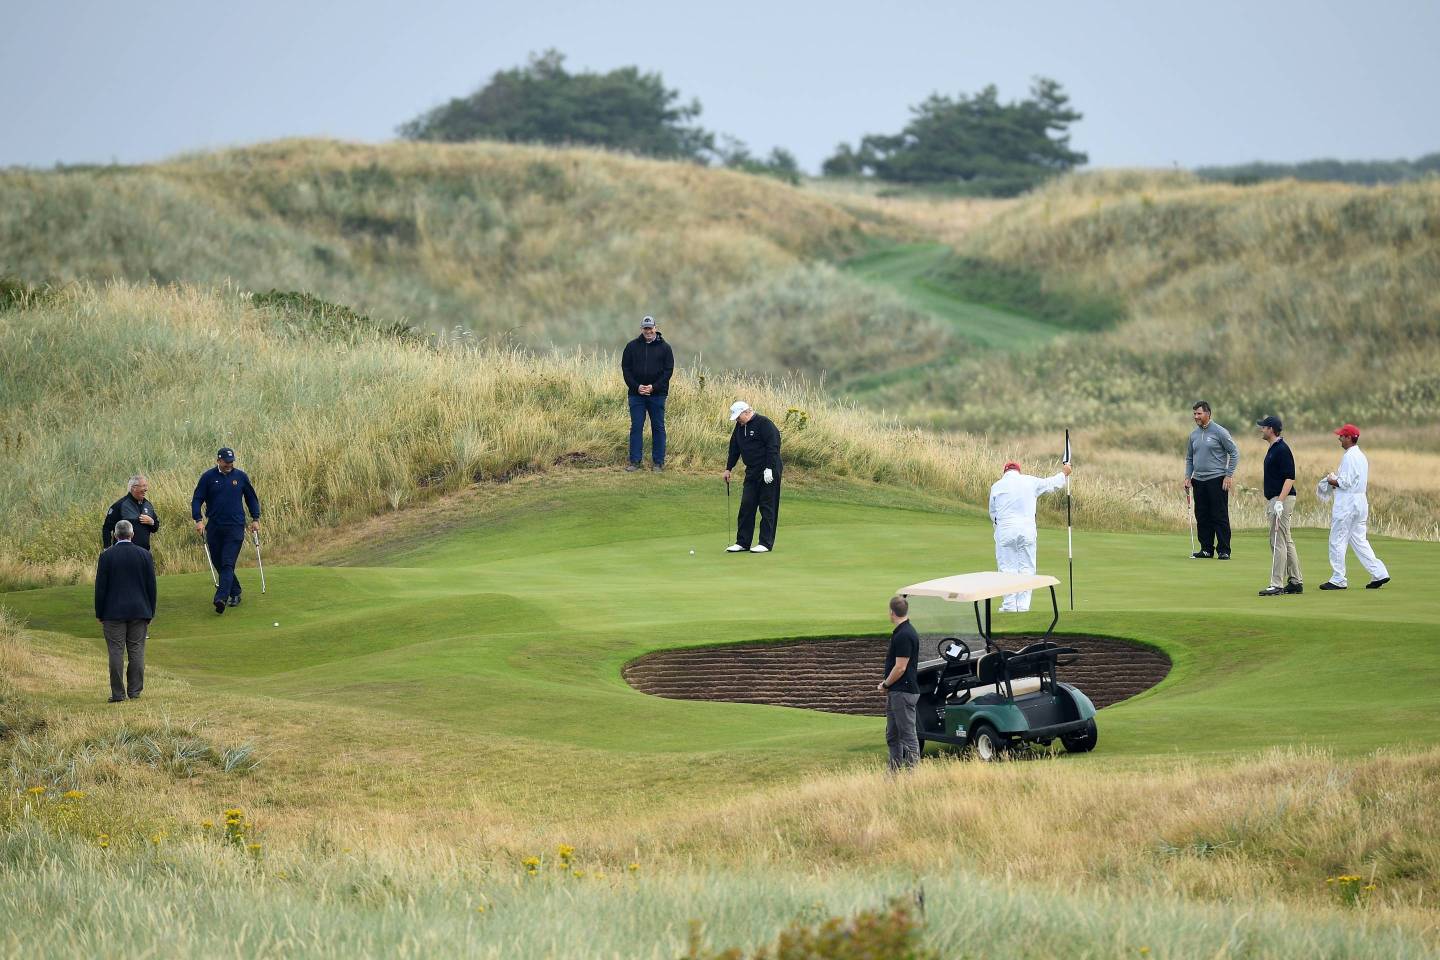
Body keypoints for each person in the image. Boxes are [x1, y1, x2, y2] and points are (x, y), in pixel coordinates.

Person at [988, 459, 1072, 612]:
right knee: (1027, 568)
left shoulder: (997, 486)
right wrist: (1064, 473)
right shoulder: (1029, 481)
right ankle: (1023, 606)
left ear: (1005, 472)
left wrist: (998, 529)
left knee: (1007, 569)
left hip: (1006, 529)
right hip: (1027, 530)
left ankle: (1009, 606)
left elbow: (993, 514)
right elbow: (1050, 484)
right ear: (1018, 471)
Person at [1318, 424, 1390, 591]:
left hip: (1347, 504)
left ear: (1349, 438)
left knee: (1337, 539)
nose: (1339, 438)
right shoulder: (1361, 456)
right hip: (1360, 502)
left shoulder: (1349, 457)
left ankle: (1338, 578)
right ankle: (1379, 573)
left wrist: (1330, 480)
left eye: (1342, 436)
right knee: (1359, 540)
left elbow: (1345, 482)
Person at [191, 447, 261, 614]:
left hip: (235, 527)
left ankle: (221, 597)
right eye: (226, 462)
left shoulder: (240, 477)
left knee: (227, 562)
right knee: (218, 562)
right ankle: (235, 591)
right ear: (219, 460)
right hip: (214, 526)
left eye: (231, 462)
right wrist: (198, 520)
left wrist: (256, 518)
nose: (230, 464)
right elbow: (197, 499)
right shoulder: (208, 477)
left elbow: (251, 498)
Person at [94, 519, 156, 703]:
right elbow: (151, 586)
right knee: (136, 650)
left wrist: (99, 612)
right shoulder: (144, 555)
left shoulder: (106, 556)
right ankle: (135, 691)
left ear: (115, 535)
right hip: (139, 610)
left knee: (116, 651)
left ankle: (118, 693)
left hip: (112, 612)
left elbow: (101, 588)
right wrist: (150, 611)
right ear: (132, 534)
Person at [723, 401, 782, 553]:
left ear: (747, 412)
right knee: (747, 505)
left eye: (738, 417)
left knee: (767, 506)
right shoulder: (739, 427)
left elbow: (773, 446)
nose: (737, 420)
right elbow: (734, 448)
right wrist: (728, 468)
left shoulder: (765, 424)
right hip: (752, 470)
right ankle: (743, 542)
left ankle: (765, 543)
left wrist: (769, 468)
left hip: (769, 469)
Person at [1183, 401, 1239, 560]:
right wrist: (1188, 477)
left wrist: (1229, 475)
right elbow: (1189, 458)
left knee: (1219, 515)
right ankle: (1206, 549)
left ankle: (1224, 550)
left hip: (1217, 479)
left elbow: (1234, 452)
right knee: (1202, 515)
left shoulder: (1219, 432)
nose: (1196, 417)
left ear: (1208, 414)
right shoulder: (1193, 434)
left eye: (1199, 413)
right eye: (1194, 414)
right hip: (1198, 480)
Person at [620, 315, 674, 472]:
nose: (648, 331)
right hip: (636, 395)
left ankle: (658, 463)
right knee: (636, 427)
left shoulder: (665, 348)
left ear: (655, 328)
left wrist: (653, 387)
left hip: (657, 395)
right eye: (645, 328)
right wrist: (637, 387)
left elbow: (668, 371)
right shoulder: (631, 346)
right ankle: (635, 462)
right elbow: (626, 369)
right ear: (641, 329)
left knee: (658, 427)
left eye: (650, 328)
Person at [1255, 416, 1302, 597]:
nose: (1261, 430)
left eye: (1264, 427)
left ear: (1272, 429)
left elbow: (1290, 477)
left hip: (1281, 499)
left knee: (1277, 541)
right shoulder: (1274, 448)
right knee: (1286, 540)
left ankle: (1277, 584)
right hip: (1278, 499)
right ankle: (1296, 581)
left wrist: (1280, 502)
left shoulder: (1282, 449)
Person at [877, 595, 921, 772]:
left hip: (903, 692)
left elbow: (900, 667)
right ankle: (893, 773)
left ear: (891, 612)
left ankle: (913, 775)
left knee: (908, 735)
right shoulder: (903, 632)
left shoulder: (904, 635)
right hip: (897, 692)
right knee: (892, 735)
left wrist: (885, 684)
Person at [103, 474, 160, 551]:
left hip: (144, 553)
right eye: (143, 486)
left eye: (146, 486)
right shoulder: (120, 505)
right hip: (123, 553)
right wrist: (107, 549)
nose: (146, 489)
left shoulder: (148, 505)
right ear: (134, 488)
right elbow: (106, 528)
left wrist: (152, 522)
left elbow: (155, 528)